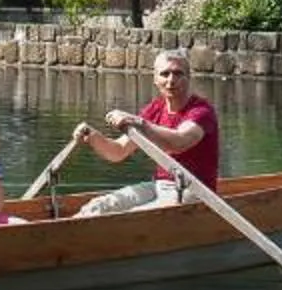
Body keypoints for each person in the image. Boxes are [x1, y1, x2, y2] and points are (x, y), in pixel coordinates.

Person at [69, 50, 221, 217]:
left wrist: (139, 123)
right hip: (159, 185)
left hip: (195, 191)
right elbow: (118, 151)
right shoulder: (155, 109)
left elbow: (179, 142)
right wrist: (92, 137)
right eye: (165, 74)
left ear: (188, 77)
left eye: (178, 73)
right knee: (97, 207)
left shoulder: (201, 111)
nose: (171, 80)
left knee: (131, 217)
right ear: (156, 80)